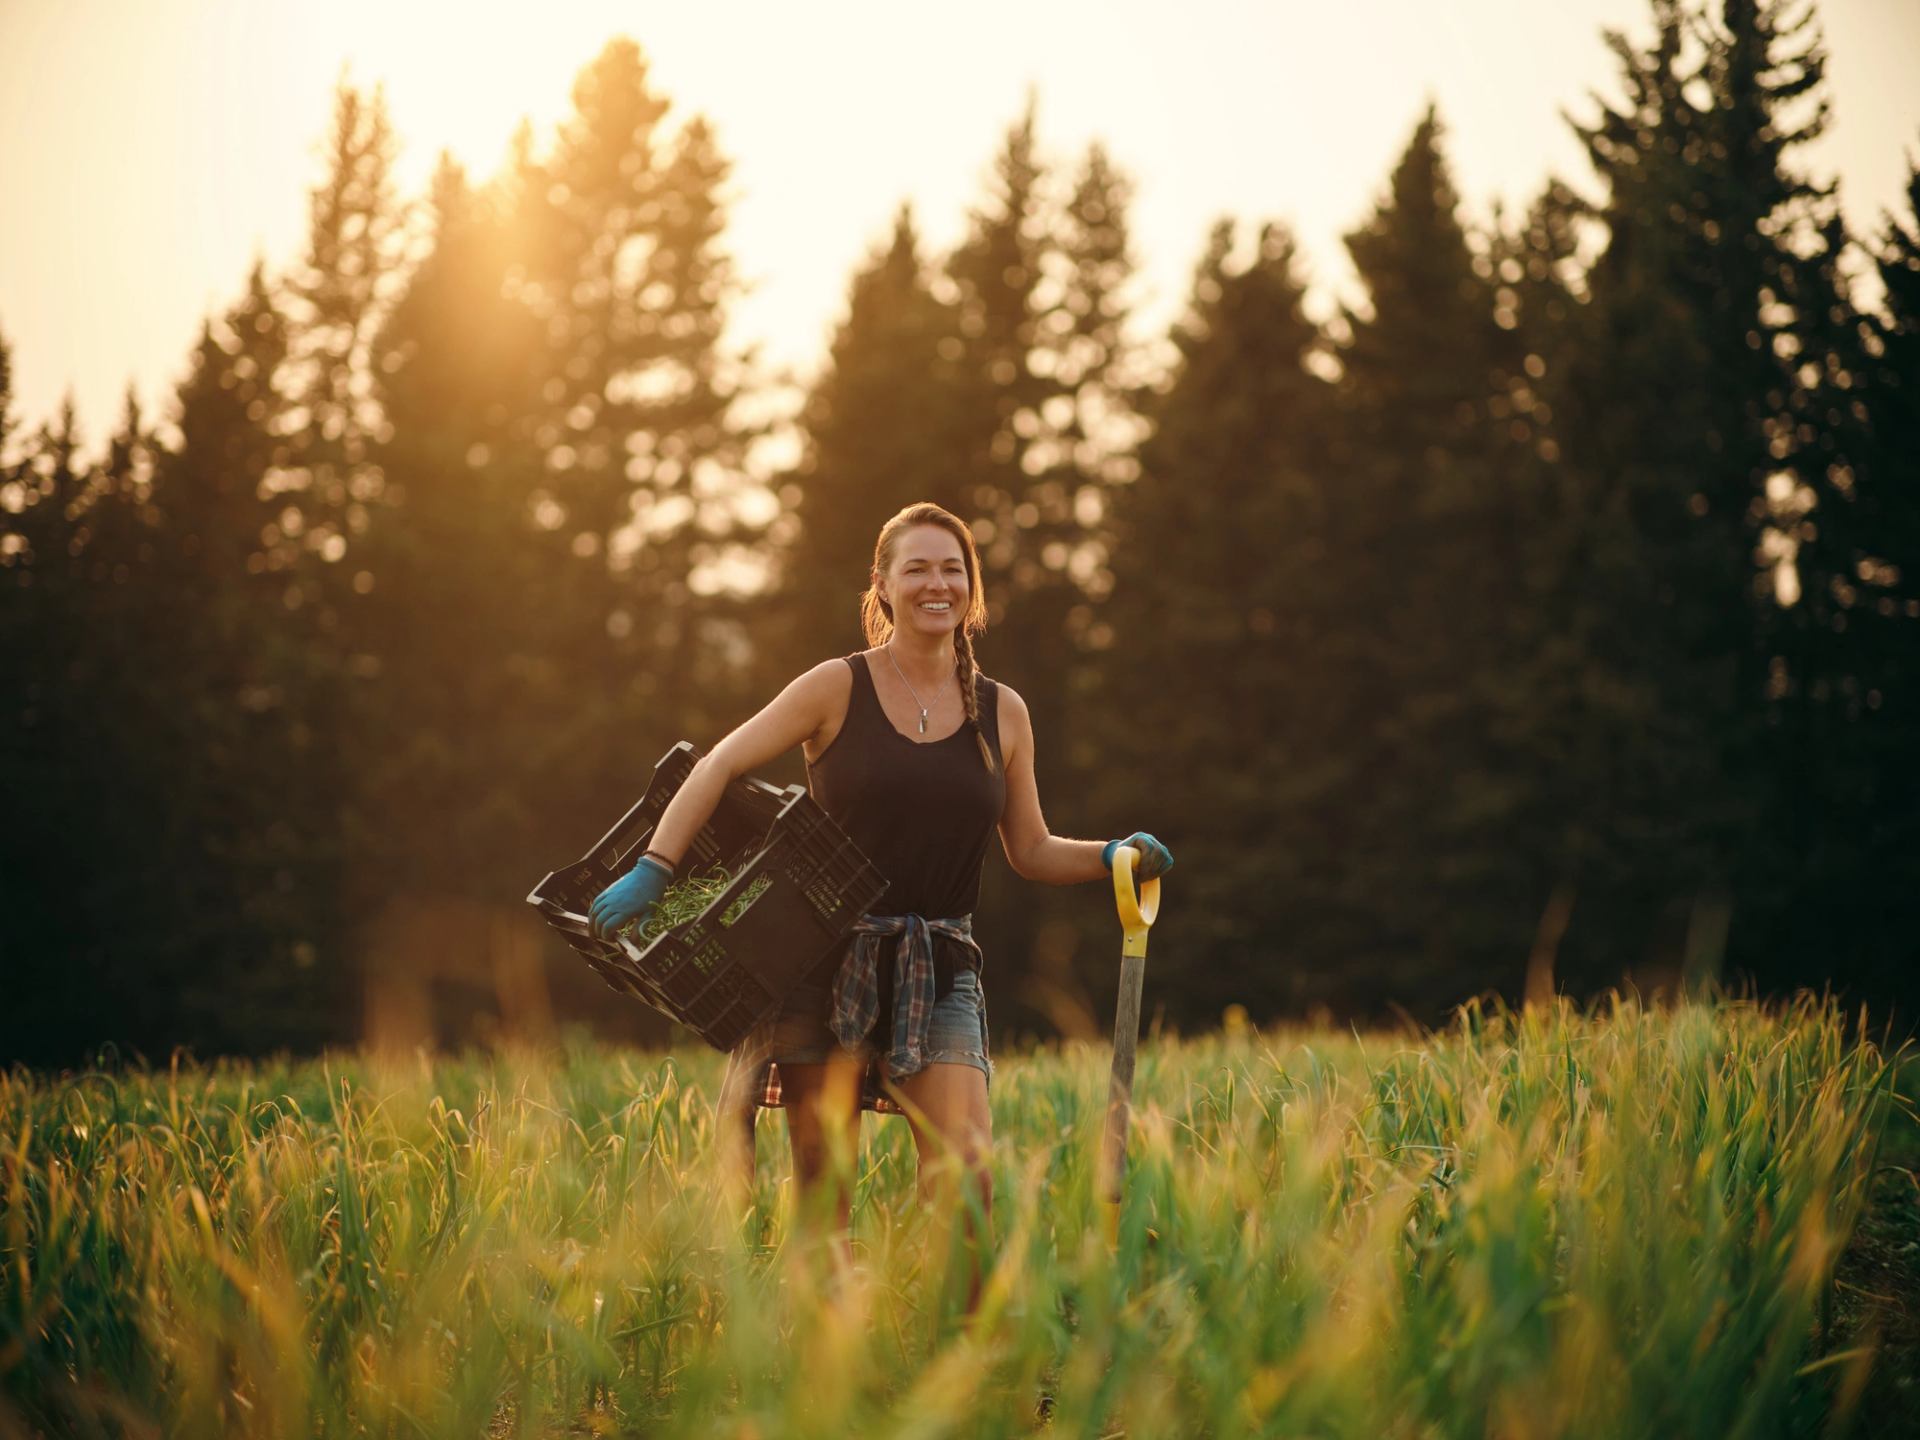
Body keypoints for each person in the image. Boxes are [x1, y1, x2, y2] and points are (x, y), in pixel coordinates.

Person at [586, 501, 1172, 1303]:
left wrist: (1110, 856)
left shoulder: (1003, 711)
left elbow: (1029, 849)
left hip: (940, 964)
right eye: (918, 568)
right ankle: (836, 1372)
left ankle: (967, 1368)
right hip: (819, 958)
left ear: (971, 586)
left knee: (966, 1175)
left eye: (953, 568)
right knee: (825, 1191)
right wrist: (658, 865)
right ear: (884, 585)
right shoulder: (838, 686)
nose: (938, 583)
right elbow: (719, 762)